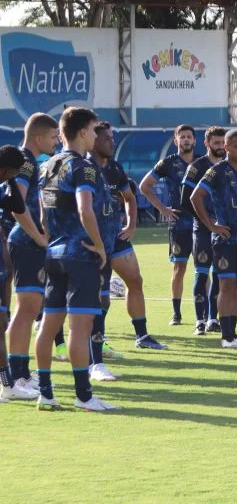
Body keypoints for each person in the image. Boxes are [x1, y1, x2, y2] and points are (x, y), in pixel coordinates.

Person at [35, 107, 119, 410]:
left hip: (54, 254)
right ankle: (84, 396)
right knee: (80, 329)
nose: (97, 135)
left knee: (48, 326)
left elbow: (44, 214)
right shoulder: (83, 167)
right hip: (80, 255)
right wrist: (98, 246)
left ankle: (45, 393)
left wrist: (51, 239)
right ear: (83, 132)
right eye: (95, 129)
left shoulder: (49, 165)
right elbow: (85, 209)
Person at [86, 122, 167, 382]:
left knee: (135, 280)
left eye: (112, 138)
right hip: (92, 241)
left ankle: (141, 335)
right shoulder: (83, 167)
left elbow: (130, 197)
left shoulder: (116, 168)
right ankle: (92, 344)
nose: (111, 142)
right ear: (92, 140)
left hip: (116, 237)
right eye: (107, 139)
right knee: (101, 299)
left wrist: (130, 224)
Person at [190, 129, 237, 348]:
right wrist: (211, 225)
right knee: (226, 285)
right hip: (225, 240)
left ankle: (233, 332)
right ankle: (225, 336)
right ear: (226, 148)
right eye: (236, 146)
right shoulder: (217, 171)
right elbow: (196, 197)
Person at [2, 114, 57, 400]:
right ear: (38, 138)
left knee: (31, 307)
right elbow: (17, 203)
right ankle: (17, 376)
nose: (56, 141)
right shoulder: (25, 160)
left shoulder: (28, 160)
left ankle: (21, 373)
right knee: (27, 309)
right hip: (24, 241)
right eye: (52, 137)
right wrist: (38, 237)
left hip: (27, 241)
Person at [139, 124, 195, 325]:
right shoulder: (168, 164)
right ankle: (176, 313)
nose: (186, 140)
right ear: (176, 141)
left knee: (203, 269)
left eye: (189, 136)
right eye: (183, 137)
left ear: (195, 141)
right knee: (179, 268)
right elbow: (144, 186)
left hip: (202, 222)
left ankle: (205, 315)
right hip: (179, 223)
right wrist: (163, 209)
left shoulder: (202, 162)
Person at [1, 146, 43, 401]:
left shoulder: (7, 181)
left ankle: (9, 383)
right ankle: (9, 383)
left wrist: (12, 179)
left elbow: (17, 205)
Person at [182, 126, 227, 336]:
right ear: (207, 144)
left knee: (219, 276)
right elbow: (185, 200)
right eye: (216, 143)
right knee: (201, 274)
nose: (220, 147)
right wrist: (207, 222)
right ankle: (199, 321)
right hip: (202, 230)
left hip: (223, 230)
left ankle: (213, 319)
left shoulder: (229, 166)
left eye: (222, 143)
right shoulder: (197, 166)